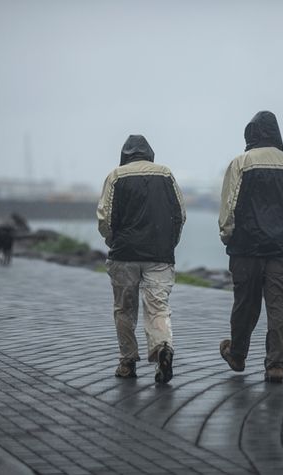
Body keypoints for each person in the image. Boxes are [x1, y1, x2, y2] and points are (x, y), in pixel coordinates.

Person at [218, 110, 283, 383]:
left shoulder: (241, 163)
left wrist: (229, 237)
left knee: (244, 306)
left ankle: (237, 355)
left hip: (245, 250)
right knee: (279, 309)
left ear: (250, 134)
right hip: (280, 253)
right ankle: (276, 365)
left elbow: (229, 209)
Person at [97, 135, 186, 384]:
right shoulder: (166, 174)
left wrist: (112, 241)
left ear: (125, 155)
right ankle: (163, 348)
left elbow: (105, 219)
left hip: (124, 255)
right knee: (157, 307)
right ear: (150, 153)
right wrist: (170, 243)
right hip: (159, 255)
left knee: (125, 309)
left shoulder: (116, 176)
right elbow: (179, 214)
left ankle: (127, 362)